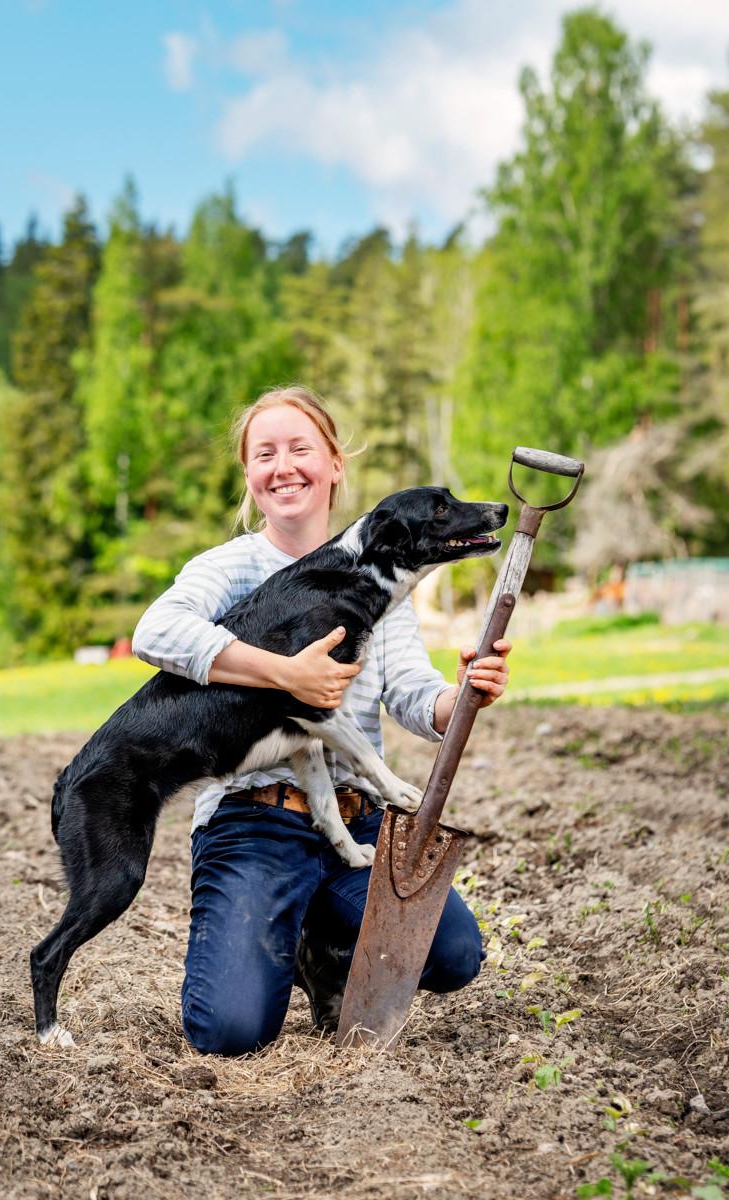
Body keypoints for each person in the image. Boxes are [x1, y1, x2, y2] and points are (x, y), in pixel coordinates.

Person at [132, 385, 511, 1056]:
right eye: (264, 453)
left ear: (335, 463)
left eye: (300, 448)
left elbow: (412, 695)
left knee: (453, 955)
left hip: (357, 819)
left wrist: (463, 696)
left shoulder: (384, 567)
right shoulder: (231, 567)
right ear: (248, 475)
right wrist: (283, 673)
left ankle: (319, 941)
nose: (283, 466)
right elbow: (156, 632)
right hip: (252, 820)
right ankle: (275, 931)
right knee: (231, 1031)